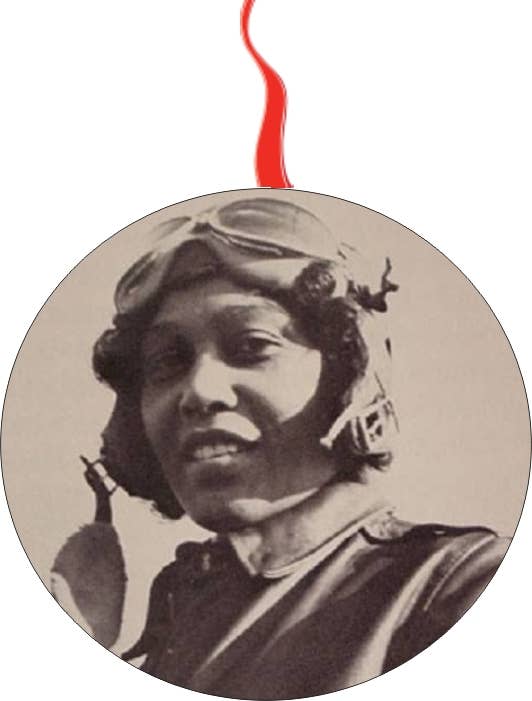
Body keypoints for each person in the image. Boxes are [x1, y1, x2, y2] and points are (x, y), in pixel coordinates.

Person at [76, 197, 508, 698]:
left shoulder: (460, 588)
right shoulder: (168, 624)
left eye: (252, 346)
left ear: (345, 375)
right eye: (166, 363)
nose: (198, 391)